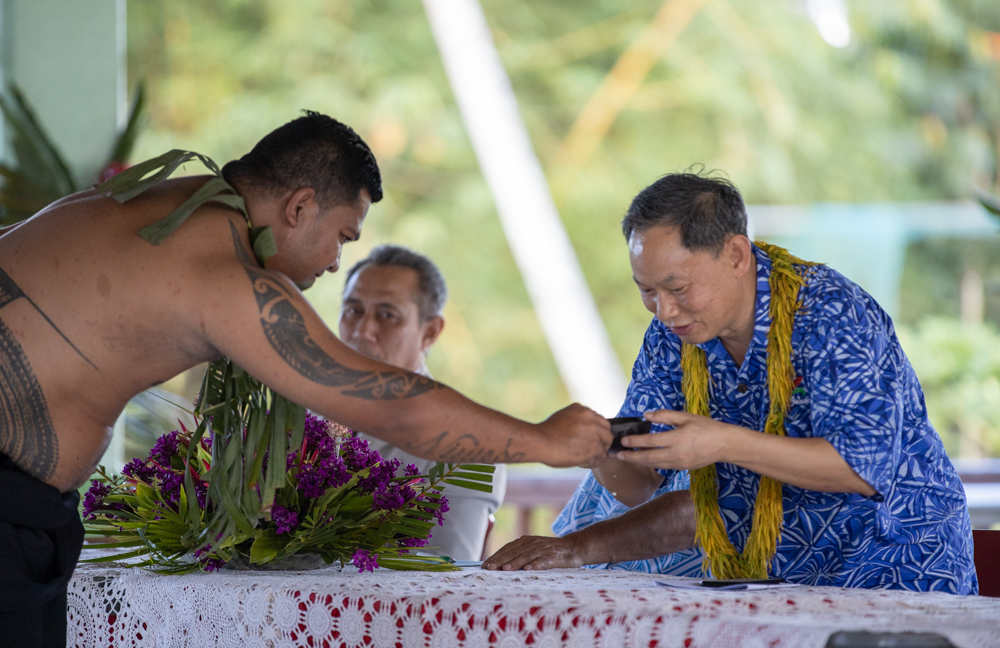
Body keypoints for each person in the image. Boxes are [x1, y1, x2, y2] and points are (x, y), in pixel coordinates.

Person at [0, 112, 611, 645]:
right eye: (342, 237)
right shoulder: (225, 274)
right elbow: (396, 409)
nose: (334, 262)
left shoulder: (139, 205)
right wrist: (549, 441)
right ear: (298, 207)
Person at [483, 171, 978, 595]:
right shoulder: (669, 338)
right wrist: (597, 454)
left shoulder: (830, 312)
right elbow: (645, 487)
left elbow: (861, 468)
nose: (664, 310)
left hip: (892, 567)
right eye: (646, 292)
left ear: (737, 255)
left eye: (678, 288)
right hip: (771, 584)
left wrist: (720, 442)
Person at [338, 244, 507, 560]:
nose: (362, 331)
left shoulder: (467, 443)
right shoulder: (297, 414)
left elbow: (446, 573)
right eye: (353, 310)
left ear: (430, 331)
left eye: (387, 315)